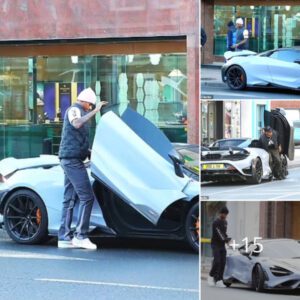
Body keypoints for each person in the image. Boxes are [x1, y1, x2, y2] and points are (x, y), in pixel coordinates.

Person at [58, 87, 108, 250]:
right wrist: (97, 110)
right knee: (87, 197)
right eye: (91, 106)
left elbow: (77, 139)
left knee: (69, 199)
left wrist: (92, 153)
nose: (91, 108)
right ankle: (81, 235)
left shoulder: (79, 111)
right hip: (72, 161)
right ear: (86, 102)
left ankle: (64, 237)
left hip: (72, 159)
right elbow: (77, 123)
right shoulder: (74, 110)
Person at [207, 207, 231, 288]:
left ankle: (219, 280)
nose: (225, 215)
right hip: (215, 244)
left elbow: (224, 233)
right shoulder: (216, 222)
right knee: (217, 261)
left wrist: (227, 238)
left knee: (223, 262)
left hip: (222, 245)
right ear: (220, 213)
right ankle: (210, 277)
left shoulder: (225, 222)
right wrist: (226, 239)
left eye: (226, 214)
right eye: (224, 214)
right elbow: (219, 233)